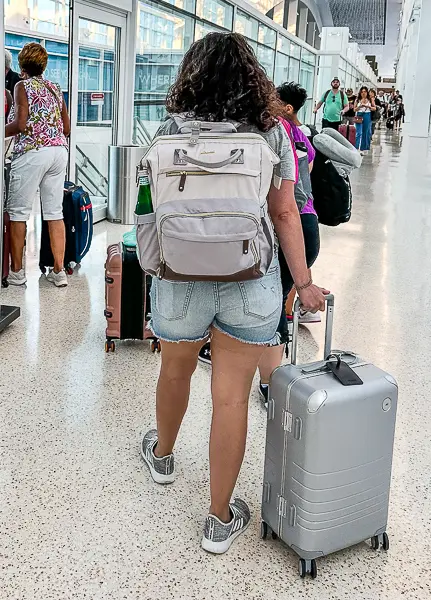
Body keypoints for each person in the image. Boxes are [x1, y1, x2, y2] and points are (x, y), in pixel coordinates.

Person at [140, 33, 328, 555]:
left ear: (192, 74)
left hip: (178, 277)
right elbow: (285, 212)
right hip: (251, 280)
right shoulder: (272, 134)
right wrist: (304, 283)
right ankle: (219, 519)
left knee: (174, 370)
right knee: (231, 398)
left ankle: (163, 455)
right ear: (252, 76)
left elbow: (154, 208)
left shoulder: (169, 130)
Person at [257, 81, 322, 408]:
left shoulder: (273, 128)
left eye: (274, 100)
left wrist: (305, 282)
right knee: (278, 297)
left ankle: (272, 383)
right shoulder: (301, 134)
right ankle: (273, 374)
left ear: (286, 107)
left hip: (290, 225)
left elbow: (282, 204)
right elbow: (304, 172)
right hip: (308, 224)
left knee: (272, 304)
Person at [5, 42, 70, 287]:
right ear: (43, 65)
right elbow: (67, 128)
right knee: (55, 213)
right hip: (57, 152)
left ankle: (17, 273)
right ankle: (59, 272)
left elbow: (20, 124)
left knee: (19, 212)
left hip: (33, 152)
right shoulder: (54, 88)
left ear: (22, 65)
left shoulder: (22, 86)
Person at [354, 86, 376, 155]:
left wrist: (368, 107)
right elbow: (354, 109)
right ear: (360, 92)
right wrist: (360, 106)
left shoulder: (370, 99)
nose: (363, 93)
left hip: (367, 114)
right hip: (359, 115)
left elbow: (374, 108)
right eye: (362, 92)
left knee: (366, 132)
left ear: (367, 92)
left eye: (365, 92)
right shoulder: (357, 99)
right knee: (358, 132)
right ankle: (356, 147)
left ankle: (364, 148)